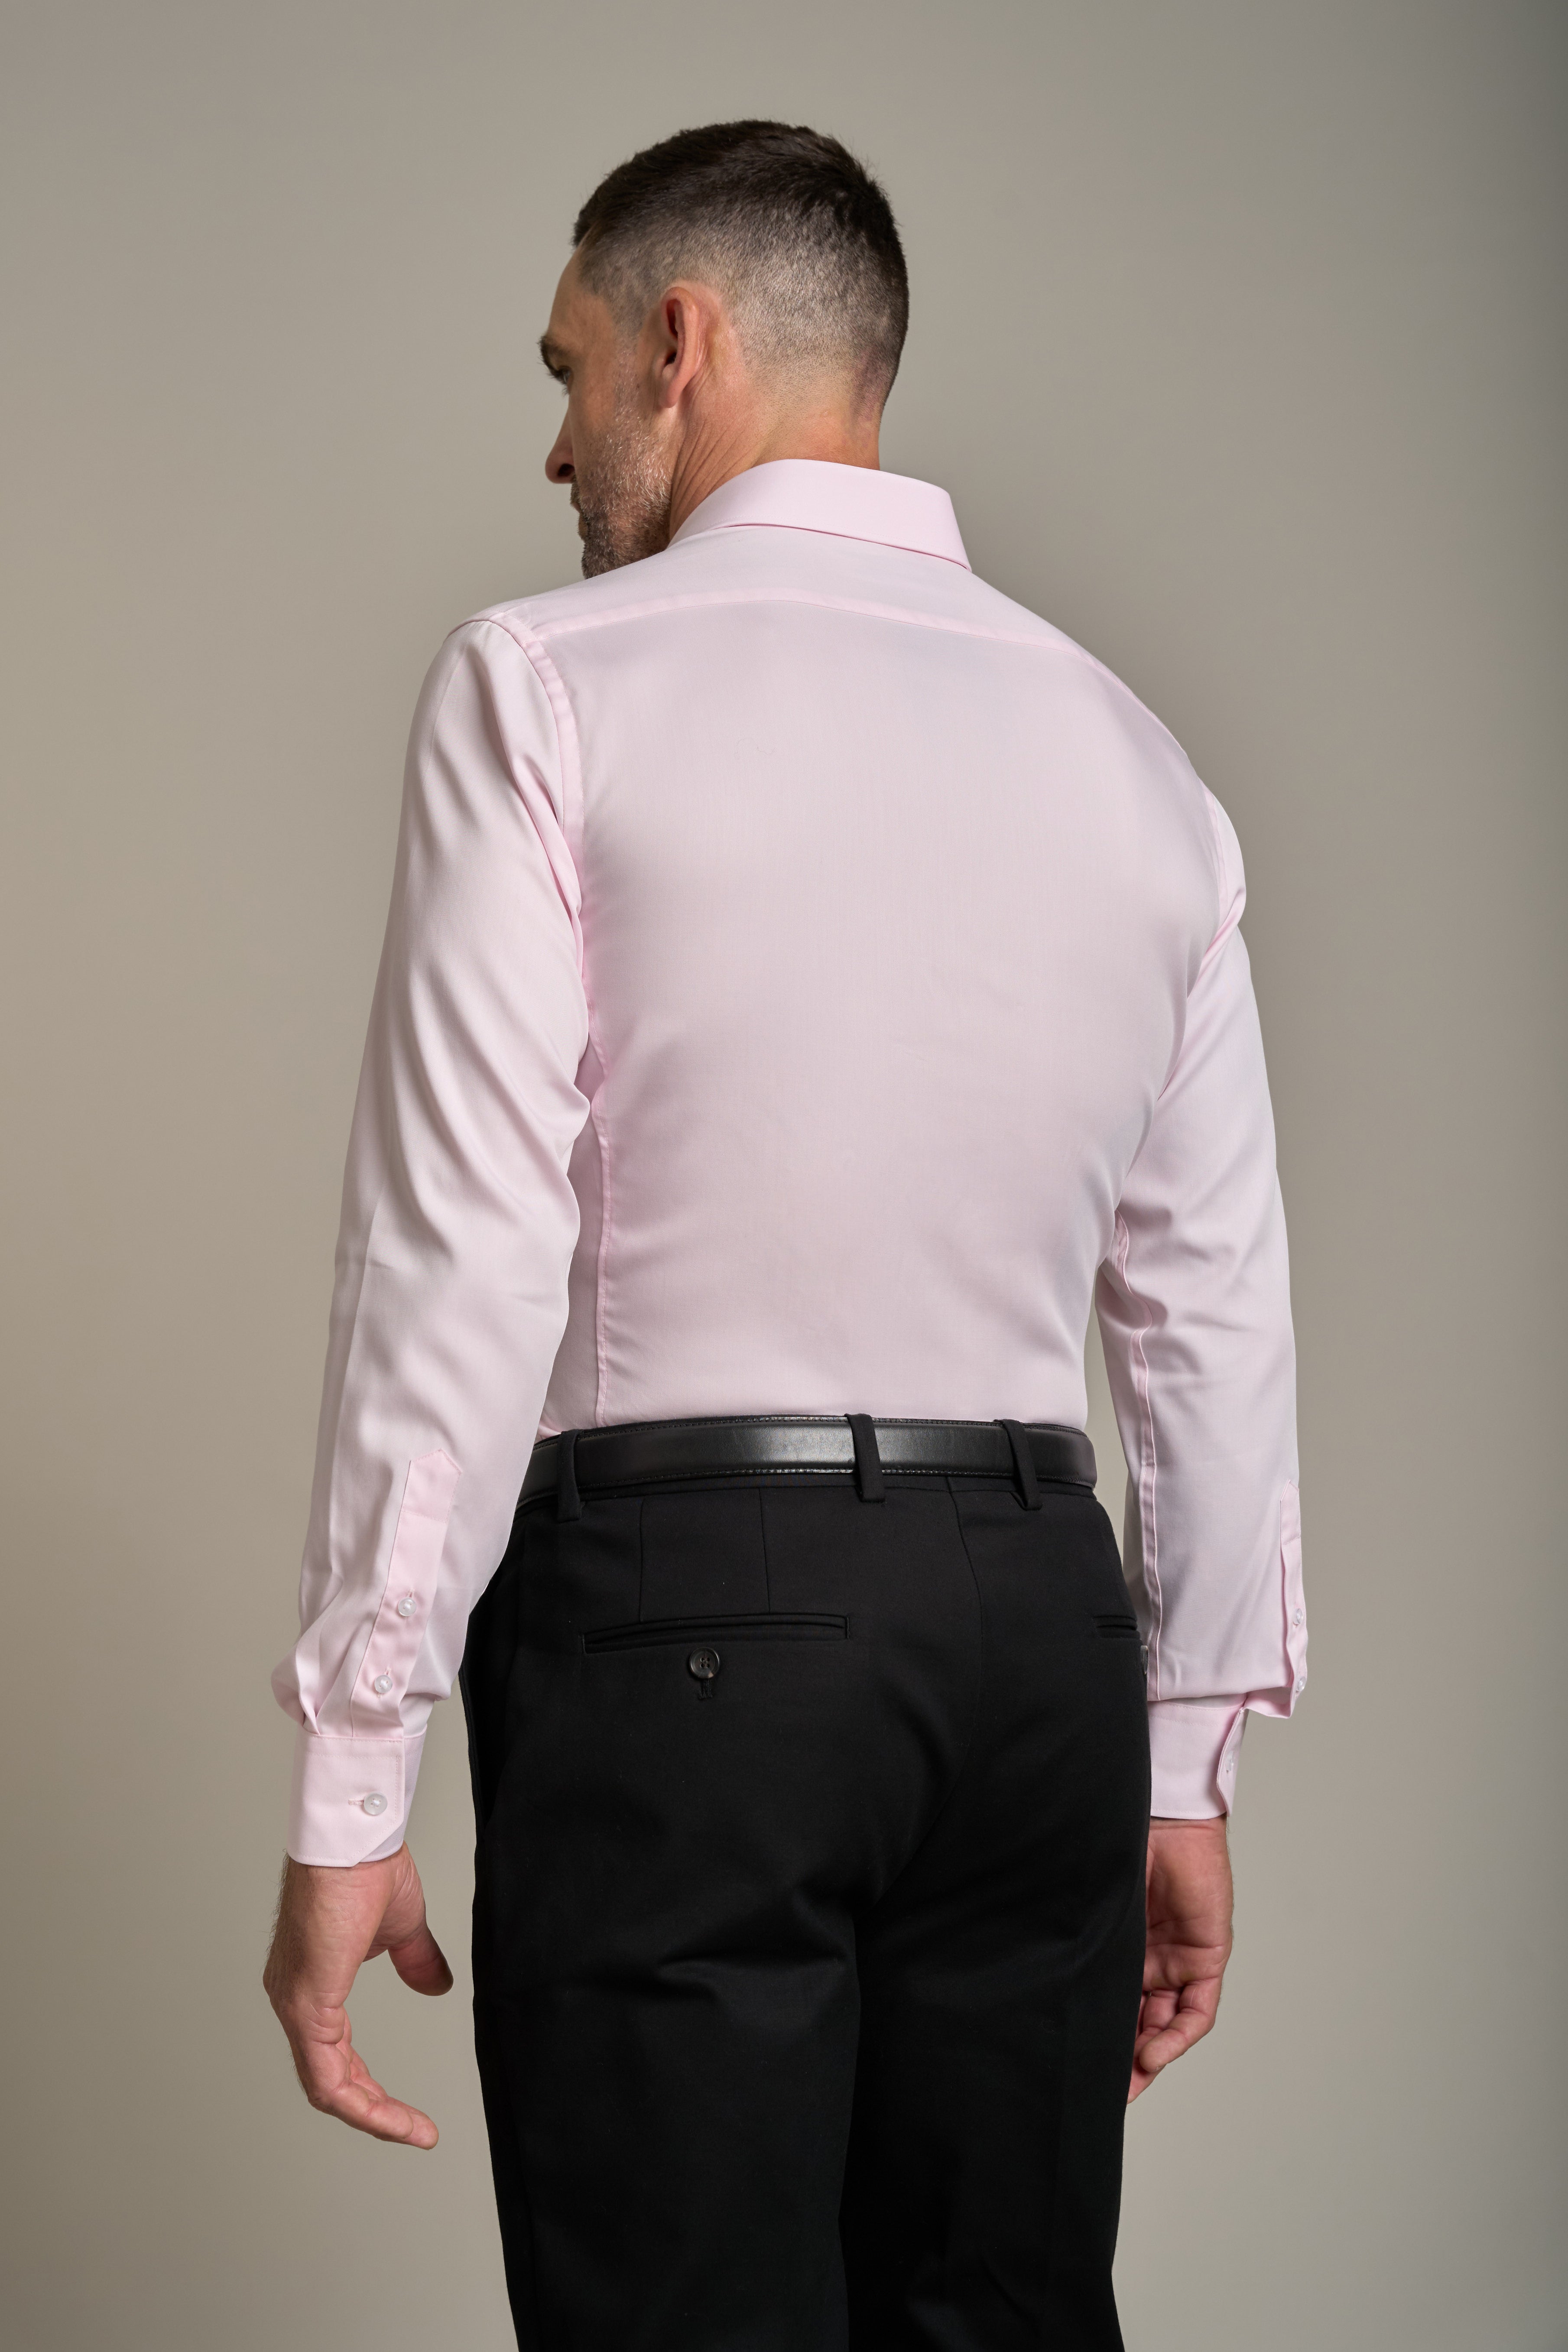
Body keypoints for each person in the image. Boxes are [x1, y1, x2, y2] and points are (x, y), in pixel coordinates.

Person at [263, 120, 1303, 2350]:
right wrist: (1187, 1749)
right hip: (1035, 1647)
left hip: (685, 1640)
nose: (552, 448)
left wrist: (353, 1775)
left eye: (563, 376)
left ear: (681, 344)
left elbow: (458, 1255)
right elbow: (1205, 1306)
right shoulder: (1139, 761)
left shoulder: (547, 686)